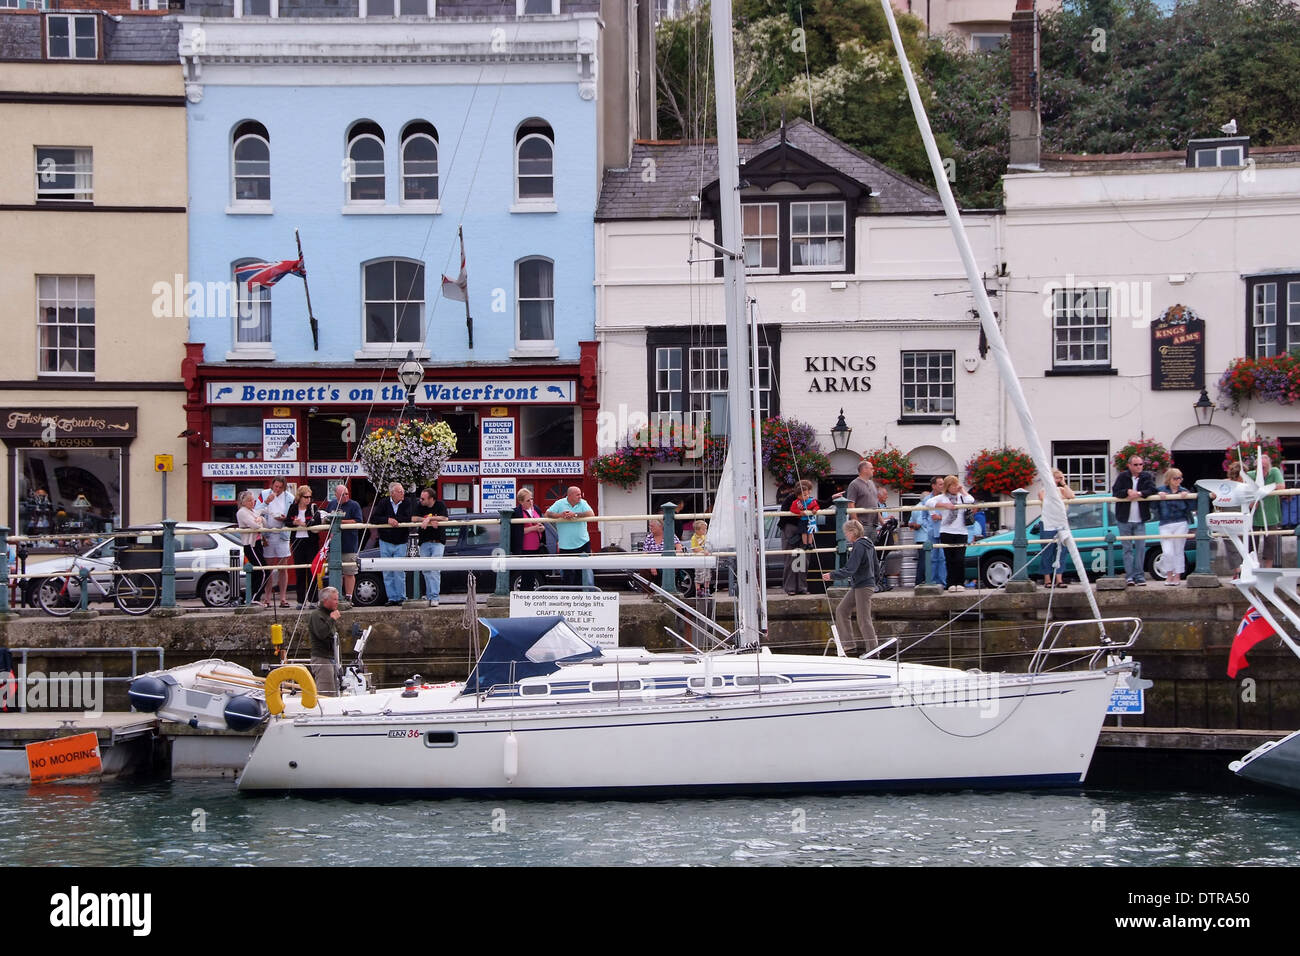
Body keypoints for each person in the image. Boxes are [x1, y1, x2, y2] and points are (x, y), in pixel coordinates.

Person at [821, 519, 879, 657]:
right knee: (842, 610)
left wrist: (832, 575)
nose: (846, 535)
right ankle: (848, 644)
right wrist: (875, 580)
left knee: (863, 619)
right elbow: (876, 565)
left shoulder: (859, 546)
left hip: (864, 586)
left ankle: (873, 650)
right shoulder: (869, 543)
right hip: (861, 584)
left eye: (846, 532)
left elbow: (850, 569)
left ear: (853, 532)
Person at [1111, 455, 1156, 587]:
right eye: (1136, 465)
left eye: (1141, 464)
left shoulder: (1146, 476)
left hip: (1140, 519)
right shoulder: (1122, 477)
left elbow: (1153, 489)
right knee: (1127, 549)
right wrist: (1127, 492)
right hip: (1124, 519)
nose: (1139, 467)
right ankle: (1129, 577)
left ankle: (1140, 576)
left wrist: (1140, 494)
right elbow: (1116, 492)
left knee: (1141, 548)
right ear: (1129, 465)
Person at [372, 482, 412, 605]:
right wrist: (387, 520)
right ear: (392, 493)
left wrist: (396, 520)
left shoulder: (407, 502)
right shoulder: (383, 503)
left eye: (403, 491)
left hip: (401, 541)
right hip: (385, 540)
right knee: (387, 570)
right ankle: (392, 598)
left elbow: (409, 517)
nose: (402, 493)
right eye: (400, 491)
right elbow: (374, 518)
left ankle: (401, 597)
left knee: (399, 570)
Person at [932, 475, 974, 592]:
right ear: (948, 486)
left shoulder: (961, 497)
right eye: (953, 485)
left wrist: (962, 490)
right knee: (949, 559)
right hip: (946, 531)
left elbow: (971, 500)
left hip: (961, 532)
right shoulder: (942, 497)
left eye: (956, 484)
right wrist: (944, 505)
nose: (956, 487)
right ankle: (950, 583)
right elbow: (929, 503)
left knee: (960, 559)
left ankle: (960, 582)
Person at [256, 477, 293, 607]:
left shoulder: (289, 497)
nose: (276, 489)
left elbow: (292, 515)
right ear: (272, 485)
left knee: (283, 567)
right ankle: (267, 598)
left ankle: (283, 598)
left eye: (279, 487)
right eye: (275, 486)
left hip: (282, 533)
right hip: (268, 534)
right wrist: (266, 502)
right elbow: (256, 511)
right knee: (269, 567)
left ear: (284, 487)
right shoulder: (264, 494)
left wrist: (285, 518)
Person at [547, 486, 594, 587]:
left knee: (582, 573)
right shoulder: (560, 503)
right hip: (565, 546)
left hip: (583, 543)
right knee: (567, 574)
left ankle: (583, 596)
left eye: (580, 494)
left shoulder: (583, 503)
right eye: (577, 494)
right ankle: (568, 597)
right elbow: (547, 514)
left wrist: (575, 514)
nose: (580, 496)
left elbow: (591, 514)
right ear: (569, 495)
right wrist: (560, 515)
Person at [324, 483, 364, 603]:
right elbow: (326, 519)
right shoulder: (331, 505)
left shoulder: (354, 505)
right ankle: (336, 597)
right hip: (334, 544)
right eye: (342, 494)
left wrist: (339, 522)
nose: (346, 496)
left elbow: (358, 521)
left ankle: (349, 597)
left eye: (347, 494)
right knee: (335, 571)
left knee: (349, 572)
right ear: (336, 495)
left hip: (349, 544)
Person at [1037, 469, 1076, 589]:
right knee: (1047, 551)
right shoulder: (1043, 491)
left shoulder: (1062, 490)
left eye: (1060, 478)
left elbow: (1071, 496)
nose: (1058, 480)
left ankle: (1059, 579)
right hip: (1048, 523)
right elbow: (1045, 500)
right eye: (1056, 478)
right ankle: (1047, 579)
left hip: (1061, 523)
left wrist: (1064, 483)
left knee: (1062, 551)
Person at [1155, 468, 1195, 586]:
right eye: (1175, 478)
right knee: (1167, 552)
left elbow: (1191, 507)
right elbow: (1152, 506)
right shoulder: (1161, 490)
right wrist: (1158, 496)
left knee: (1178, 550)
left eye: (1180, 478)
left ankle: (1177, 576)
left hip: (1181, 522)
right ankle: (1168, 574)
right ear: (1169, 479)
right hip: (1165, 523)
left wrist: (1187, 496)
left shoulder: (1183, 490)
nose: (1178, 480)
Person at [412, 486, 448, 605]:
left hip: (437, 542)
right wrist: (425, 520)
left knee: (435, 570)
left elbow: (445, 518)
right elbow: (413, 518)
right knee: (426, 570)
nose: (421, 501)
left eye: (423, 499)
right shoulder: (420, 506)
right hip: (424, 542)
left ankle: (434, 597)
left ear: (431, 499)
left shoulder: (440, 505)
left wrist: (430, 518)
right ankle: (429, 596)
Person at [288, 485, 321, 607]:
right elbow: (287, 521)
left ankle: (313, 600)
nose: (308, 499)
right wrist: (294, 523)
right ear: (300, 497)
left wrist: (305, 523)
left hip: (311, 542)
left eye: (309, 497)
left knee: (312, 570)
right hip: (298, 541)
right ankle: (300, 601)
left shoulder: (313, 507)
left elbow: (316, 520)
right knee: (300, 572)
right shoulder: (293, 508)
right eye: (305, 497)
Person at [909, 476, 946, 587]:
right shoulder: (927, 500)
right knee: (932, 558)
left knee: (943, 558)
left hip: (944, 531)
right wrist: (928, 525)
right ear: (933, 486)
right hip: (931, 532)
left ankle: (943, 583)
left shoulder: (945, 498)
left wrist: (940, 519)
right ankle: (932, 582)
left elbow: (952, 515)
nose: (942, 486)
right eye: (940, 484)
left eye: (943, 484)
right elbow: (923, 516)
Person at [307, 586, 343, 695]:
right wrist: (332, 619)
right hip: (322, 658)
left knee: (335, 690)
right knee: (326, 693)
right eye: (335, 599)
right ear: (325, 600)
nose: (337, 602)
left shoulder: (328, 614)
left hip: (331, 658)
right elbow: (321, 633)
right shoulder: (316, 615)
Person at [510, 488, 547, 591]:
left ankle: (531, 594)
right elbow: (517, 532)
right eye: (528, 500)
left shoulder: (536, 509)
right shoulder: (517, 512)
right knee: (525, 573)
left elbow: (541, 524)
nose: (531, 502)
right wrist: (534, 528)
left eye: (531, 499)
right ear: (521, 502)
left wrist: (542, 529)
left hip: (536, 547)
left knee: (533, 573)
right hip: (524, 548)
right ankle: (524, 594)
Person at [235, 489, 267, 605]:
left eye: (252, 500)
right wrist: (259, 521)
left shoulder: (253, 511)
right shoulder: (242, 512)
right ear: (243, 502)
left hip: (258, 544)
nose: (251, 502)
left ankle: (250, 596)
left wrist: (260, 519)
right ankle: (254, 597)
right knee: (263, 571)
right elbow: (255, 526)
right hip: (250, 545)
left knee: (257, 571)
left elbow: (264, 522)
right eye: (249, 501)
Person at [1253, 453, 1285, 568]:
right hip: (1254, 515)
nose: (1262, 470)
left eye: (1264, 467)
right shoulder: (1251, 475)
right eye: (1259, 468)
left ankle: (1268, 570)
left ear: (1268, 466)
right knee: (1251, 544)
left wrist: (1264, 489)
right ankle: (1253, 569)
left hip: (1271, 514)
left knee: (1270, 543)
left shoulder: (1274, 471)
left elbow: (1282, 486)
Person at [777, 483, 807, 596]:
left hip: (803, 529)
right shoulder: (790, 499)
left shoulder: (808, 500)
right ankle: (790, 588)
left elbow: (818, 504)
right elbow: (784, 514)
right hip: (791, 529)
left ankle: (801, 587)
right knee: (790, 559)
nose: (808, 494)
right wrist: (799, 514)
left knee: (803, 559)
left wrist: (831, 499)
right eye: (805, 492)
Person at [844, 460, 881, 536]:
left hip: (873, 524)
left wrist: (882, 522)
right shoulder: (854, 484)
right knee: (861, 546)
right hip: (862, 524)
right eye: (871, 468)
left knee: (871, 547)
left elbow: (875, 505)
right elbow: (851, 505)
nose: (873, 470)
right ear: (864, 469)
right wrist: (857, 525)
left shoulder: (871, 483)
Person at [642, 517, 683, 583]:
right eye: (649, 526)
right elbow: (645, 553)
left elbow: (678, 547)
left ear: (660, 526)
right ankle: (649, 591)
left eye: (652, 526)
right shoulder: (649, 537)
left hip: (667, 561)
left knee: (669, 569)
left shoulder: (669, 535)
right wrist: (651, 565)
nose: (650, 527)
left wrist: (676, 559)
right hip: (652, 561)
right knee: (643, 570)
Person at [791, 479, 820, 549]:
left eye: (807, 494)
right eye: (804, 495)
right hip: (802, 520)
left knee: (810, 532)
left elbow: (817, 506)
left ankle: (810, 544)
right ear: (799, 496)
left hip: (810, 520)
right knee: (804, 533)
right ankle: (805, 544)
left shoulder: (811, 500)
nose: (807, 496)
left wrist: (814, 509)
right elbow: (792, 509)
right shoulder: (796, 502)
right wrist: (799, 512)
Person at [689, 519, 711, 597]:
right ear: (697, 530)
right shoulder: (694, 538)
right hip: (698, 558)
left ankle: (706, 589)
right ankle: (698, 590)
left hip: (706, 558)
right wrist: (702, 551)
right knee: (699, 574)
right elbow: (694, 548)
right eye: (703, 529)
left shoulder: (705, 537)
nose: (705, 530)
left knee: (707, 574)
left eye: (706, 529)